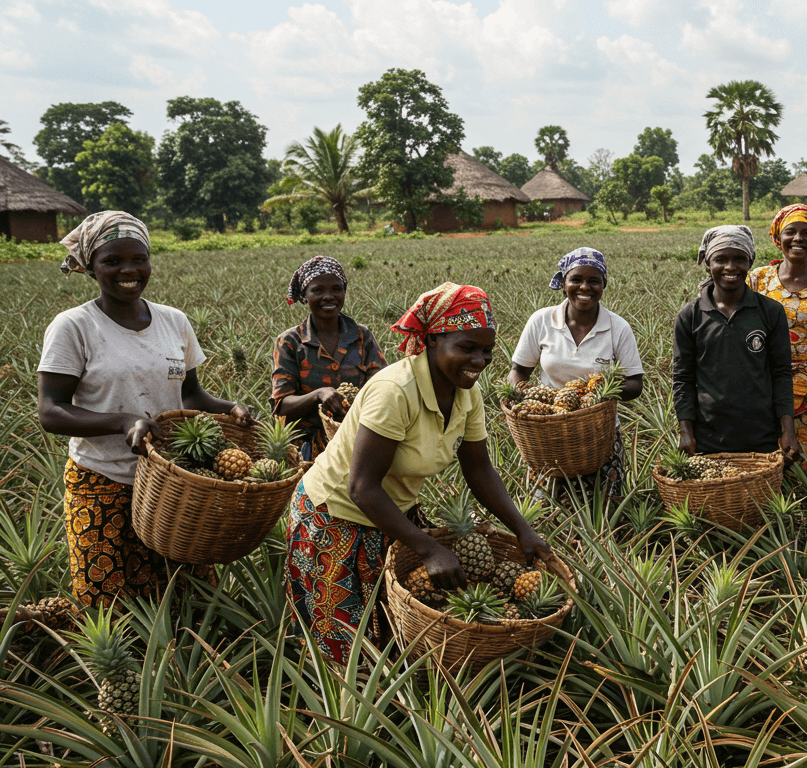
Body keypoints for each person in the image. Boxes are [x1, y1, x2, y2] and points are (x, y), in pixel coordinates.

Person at [286, 283, 551, 665]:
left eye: (487, 350)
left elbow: (478, 469)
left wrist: (522, 528)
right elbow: (361, 487)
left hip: (393, 513)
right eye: (467, 347)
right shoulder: (395, 391)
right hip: (333, 517)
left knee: (397, 634)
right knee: (346, 645)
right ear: (432, 340)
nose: (480, 360)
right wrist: (429, 548)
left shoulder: (467, 391)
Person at [37, 211, 250, 608]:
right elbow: (51, 411)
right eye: (112, 261)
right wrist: (124, 421)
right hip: (103, 482)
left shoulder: (173, 321)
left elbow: (191, 396)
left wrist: (231, 407)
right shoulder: (74, 327)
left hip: (174, 485)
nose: (129, 270)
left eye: (138, 258)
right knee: (109, 604)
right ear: (91, 267)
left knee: (188, 597)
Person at [509, 247, 645, 502]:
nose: (585, 287)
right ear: (563, 284)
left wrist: (598, 393)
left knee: (603, 511)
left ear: (604, 284)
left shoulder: (618, 327)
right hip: (548, 432)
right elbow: (518, 372)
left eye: (594, 281)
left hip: (600, 434)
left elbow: (635, 384)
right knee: (546, 511)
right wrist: (524, 398)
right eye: (576, 280)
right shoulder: (541, 321)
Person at [674, 225, 803, 463]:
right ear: (708, 263)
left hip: (761, 435)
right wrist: (686, 431)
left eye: (739, 259)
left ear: (750, 262)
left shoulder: (770, 312)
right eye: (720, 260)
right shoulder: (690, 315)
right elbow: (683, 378)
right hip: (707, 437)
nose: (731, 268)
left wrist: (788, 431)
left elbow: (782, 374)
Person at [746, 204, 807, 469]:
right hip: (765, 386)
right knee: (768, 464)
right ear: (778, 238)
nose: (799, 238)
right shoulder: (756, 281)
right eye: (791, 232)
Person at [271, 255, 386, 459]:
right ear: (305, 295)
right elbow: (281, 407)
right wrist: (319, 394)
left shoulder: (361, 336)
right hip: (305, 449)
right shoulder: (290, 342)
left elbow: (382, 387)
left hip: (356, 441)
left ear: (344, 292)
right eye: (318, 290)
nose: (328, 296)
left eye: (336, 289)